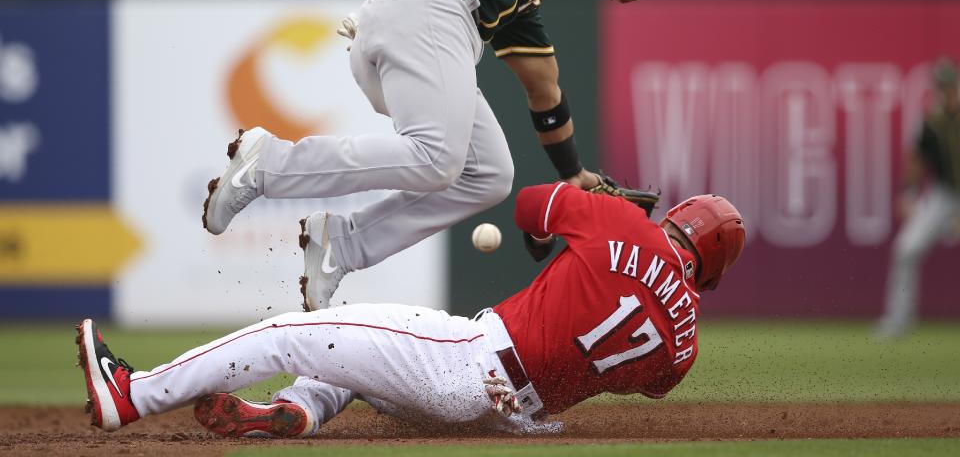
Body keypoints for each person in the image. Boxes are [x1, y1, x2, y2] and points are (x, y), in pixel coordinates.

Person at [200, 0, 651, 311]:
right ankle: (269, 164)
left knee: (489, 174)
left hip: (422, 24)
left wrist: (573, 173)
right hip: (429, 10)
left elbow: (543, 86)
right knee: (438, 156)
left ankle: (344, 243)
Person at [78, 183, 745, 436]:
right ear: (711, 271)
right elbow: (644, 378)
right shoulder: (682, 351)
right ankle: (301, 410)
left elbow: (528, 208)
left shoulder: (618, 222)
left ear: (680, 217)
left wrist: (586, 193)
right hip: (511, 417)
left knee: (295, 332)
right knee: (356, 357)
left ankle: (132, 394)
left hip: (468, 360)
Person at [877, 57, 960, 338]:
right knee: (906, 249)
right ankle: (899, 318)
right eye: (942, 86)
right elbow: (916, 158)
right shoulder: (931, 121)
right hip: (944, 195)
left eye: (950, 85)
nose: (946, 91)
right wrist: (908, 191)